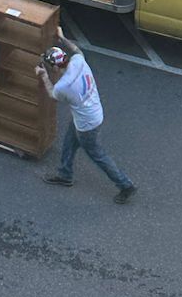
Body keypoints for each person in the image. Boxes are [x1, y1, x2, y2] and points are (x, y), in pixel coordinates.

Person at [36, 31, 137, 204]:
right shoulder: (78, 62)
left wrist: (44, 75)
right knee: (69, 142)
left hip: (86, 125)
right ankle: (65, 174)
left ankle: (125, 185)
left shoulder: (63, 87)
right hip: (92, 112)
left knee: (98, 156)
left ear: (55, 68)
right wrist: (62, 38)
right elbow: (77, 50)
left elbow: (52, 94)